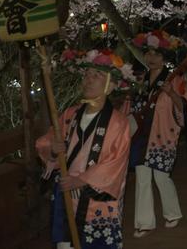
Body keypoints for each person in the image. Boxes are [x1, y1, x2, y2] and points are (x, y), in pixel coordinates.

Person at [35, 49, 134, 249]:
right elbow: (46, 141)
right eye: (87, 75)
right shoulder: (69, 115)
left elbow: (116, 162)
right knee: (65, 244)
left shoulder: (118, 123)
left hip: (95, 196)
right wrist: (53, 149)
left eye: (97, 76)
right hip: (66, 193)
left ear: (110, 85)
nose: (89, 80)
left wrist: (80, 180)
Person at [130, 31, 187, 237]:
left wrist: (171, 92)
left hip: (162, 134)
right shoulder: (140, 79)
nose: (151, 58)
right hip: (141, 134)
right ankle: (144, 222)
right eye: (148, 53)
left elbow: (186, 104)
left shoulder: (175, 78)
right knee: (142, 177)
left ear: (164, 57)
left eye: (156, 54)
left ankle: (172, 212)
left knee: (161, 177)